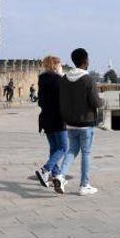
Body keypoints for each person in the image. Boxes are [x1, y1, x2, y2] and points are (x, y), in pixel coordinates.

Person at [53, 48, 103, 196]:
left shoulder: (64, 79)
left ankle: (61, 176)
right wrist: (102, 102)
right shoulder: (88, 79)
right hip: (86, 123)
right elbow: (95, 102)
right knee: (86, 153)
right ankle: (84, 185)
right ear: (85, 61)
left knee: (72, 150)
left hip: (70, 123)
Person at [35, 56, 67, 189]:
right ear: (55, 65)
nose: (61, 66)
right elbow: (64, 101)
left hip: (46, 119)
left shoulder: (41, 80)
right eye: (60, 64)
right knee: (63, 148)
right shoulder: (59, 80)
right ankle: (45, 170)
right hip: (58, 119)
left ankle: (56, 176)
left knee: (54, 148)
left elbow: (40, 101)